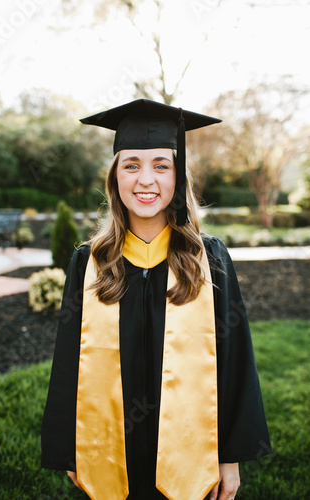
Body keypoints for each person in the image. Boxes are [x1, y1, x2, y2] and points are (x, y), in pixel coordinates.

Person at [41, 99, 272, 500]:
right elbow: (68, 359)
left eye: (161, 165)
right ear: (115, 178)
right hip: (111, 452)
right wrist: (71, 450)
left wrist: (229, 458)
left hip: (190, 453)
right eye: (131, 164)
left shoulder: (208, 257)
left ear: (178, 177)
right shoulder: (90, 261)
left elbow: (234, 358)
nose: (145, 179)